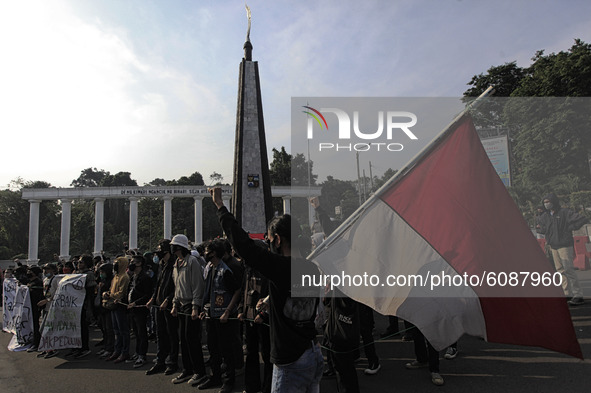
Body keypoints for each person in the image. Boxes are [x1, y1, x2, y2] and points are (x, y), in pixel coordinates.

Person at [210, 187, 324, 393]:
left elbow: (245, 247)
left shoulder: (282, 267)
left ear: (278, 240)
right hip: (313, 351)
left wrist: (220, 206)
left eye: (270, 241)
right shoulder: (311, 268)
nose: (269, 244)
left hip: (291, 359)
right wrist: (272, 299)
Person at [198, 239, 240, 393]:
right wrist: (203, 308)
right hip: (211, 315)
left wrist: (228, 311)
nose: (205, 253)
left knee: (226, 350)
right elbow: (208, 292)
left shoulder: (225, 271)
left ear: (214, 253)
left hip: (223, 317)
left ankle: (229, 381)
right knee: (213, 348)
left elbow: (236, 291)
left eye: (208, 251)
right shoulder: (210, 268)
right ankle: (215, 377)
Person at [169, 234, 207, 386]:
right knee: (183, 340)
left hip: (191, 306)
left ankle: (200, 371)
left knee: (192, 339)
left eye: (173, 245)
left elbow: (198, 285)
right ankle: (187, 369)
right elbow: (176, 286)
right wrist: (174, 304)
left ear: (179, 247)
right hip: (181, 305)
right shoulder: (177, 263)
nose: (171, 247)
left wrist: (195, 306)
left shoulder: (192, 262)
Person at [536, 192, 587, 305]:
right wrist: (541, 229)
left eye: (548, 202)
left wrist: (570, 228)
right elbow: (540, 228)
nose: (546, 204)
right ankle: (567, 293)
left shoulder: (565, 213)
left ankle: (578, 294)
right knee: (560, 271)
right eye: (544, 202)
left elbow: (582, 219)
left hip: (565, 245)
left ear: (553, 202)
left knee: (569, 270)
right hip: (553, 246)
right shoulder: (545, 216)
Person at [239, 241, 272, 393]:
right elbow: (244, 291)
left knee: (267, 355)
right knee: (251, 354)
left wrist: (264, 315)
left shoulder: (269, 270)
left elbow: (274, 296)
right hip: (249, 317)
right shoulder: (248, 269)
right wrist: (241, 310)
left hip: (264, 321)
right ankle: (251, 386)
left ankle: (268, 388)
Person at [146, 239, 179, 376]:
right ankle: (160, 361)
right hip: (158, 304)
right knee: (160, 334)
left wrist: (168, 299)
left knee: (171, 334)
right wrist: (153, 298)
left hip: (169, 305)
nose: (157, 253)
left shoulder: (175, 265)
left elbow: (177, 286)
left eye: (160, 250)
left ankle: (172, 362)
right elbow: (158, 283)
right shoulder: (161, 264)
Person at [127, 255, 154, 368]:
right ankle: (137, 352)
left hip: (140, 309)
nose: (131, 263)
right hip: (132, 308)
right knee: (137, 333)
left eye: (134, 262)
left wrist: (136, 303)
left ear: (139, 264)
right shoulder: (134, 276)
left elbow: (147, 294)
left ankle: (142, 355)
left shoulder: (145, 277)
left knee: (142, 333)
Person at [104, 256, 131, 363]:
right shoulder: (115, 276)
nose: (115, 265)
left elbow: (122, 292)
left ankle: (125, 352)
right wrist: (107, 293)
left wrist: (110, 295)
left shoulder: (125, 277)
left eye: (117, 263)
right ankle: (117, 350)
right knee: (116, 330)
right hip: (113, 305)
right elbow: (111, 289)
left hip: (120, 305)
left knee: (123, 330)